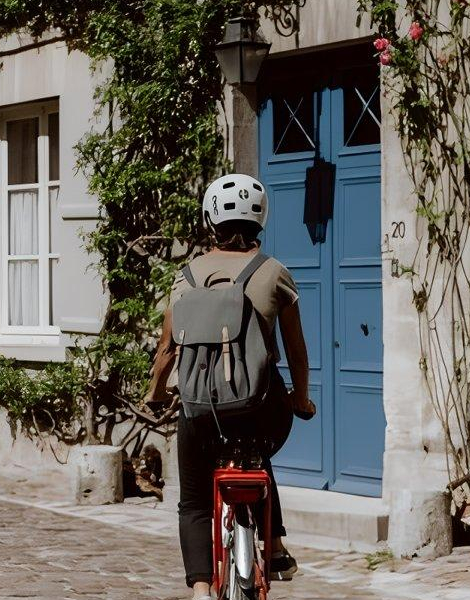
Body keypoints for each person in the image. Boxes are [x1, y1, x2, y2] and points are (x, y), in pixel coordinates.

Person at [146, 174, 316, 600]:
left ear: (210, 220)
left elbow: (166, 351)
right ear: (261, 219)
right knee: (256, 446)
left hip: (201, 412)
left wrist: (156, 393)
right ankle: (274, 546)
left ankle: (201, 589)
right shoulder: (274, 273)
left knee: (194, 501)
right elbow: (296, 353)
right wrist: (300, 398)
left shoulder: (184, 278)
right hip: (263, 411)